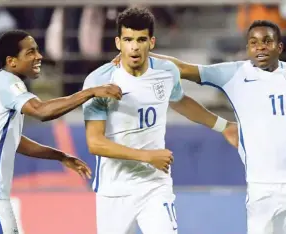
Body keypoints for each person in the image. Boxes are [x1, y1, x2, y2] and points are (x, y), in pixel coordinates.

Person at [147, 20, 286, 234]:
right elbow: (184, 68)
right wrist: (143, 57)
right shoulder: (233, 74)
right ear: (248, 48)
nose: (260, 47)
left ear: (279, 47)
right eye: (253, 42)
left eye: (267, 41)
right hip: (263, 191)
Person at [82, 7, 238, 234]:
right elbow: (95, 143)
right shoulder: (100, 80)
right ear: (118, 43)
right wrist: (147, 156)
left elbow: (179, 101)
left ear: (151, 42)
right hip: (114, 189)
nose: (134, 47)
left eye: (141, 39)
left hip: (154, 185)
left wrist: (224, 126)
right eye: (128, 40)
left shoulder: (166, 72)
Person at [0, 30, 122, 234]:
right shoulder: (8, 83)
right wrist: (90, 91)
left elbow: (13, 140)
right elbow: (41, 111)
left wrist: (60, 156)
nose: (39, 56)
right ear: (12, 61)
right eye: (30, 52)